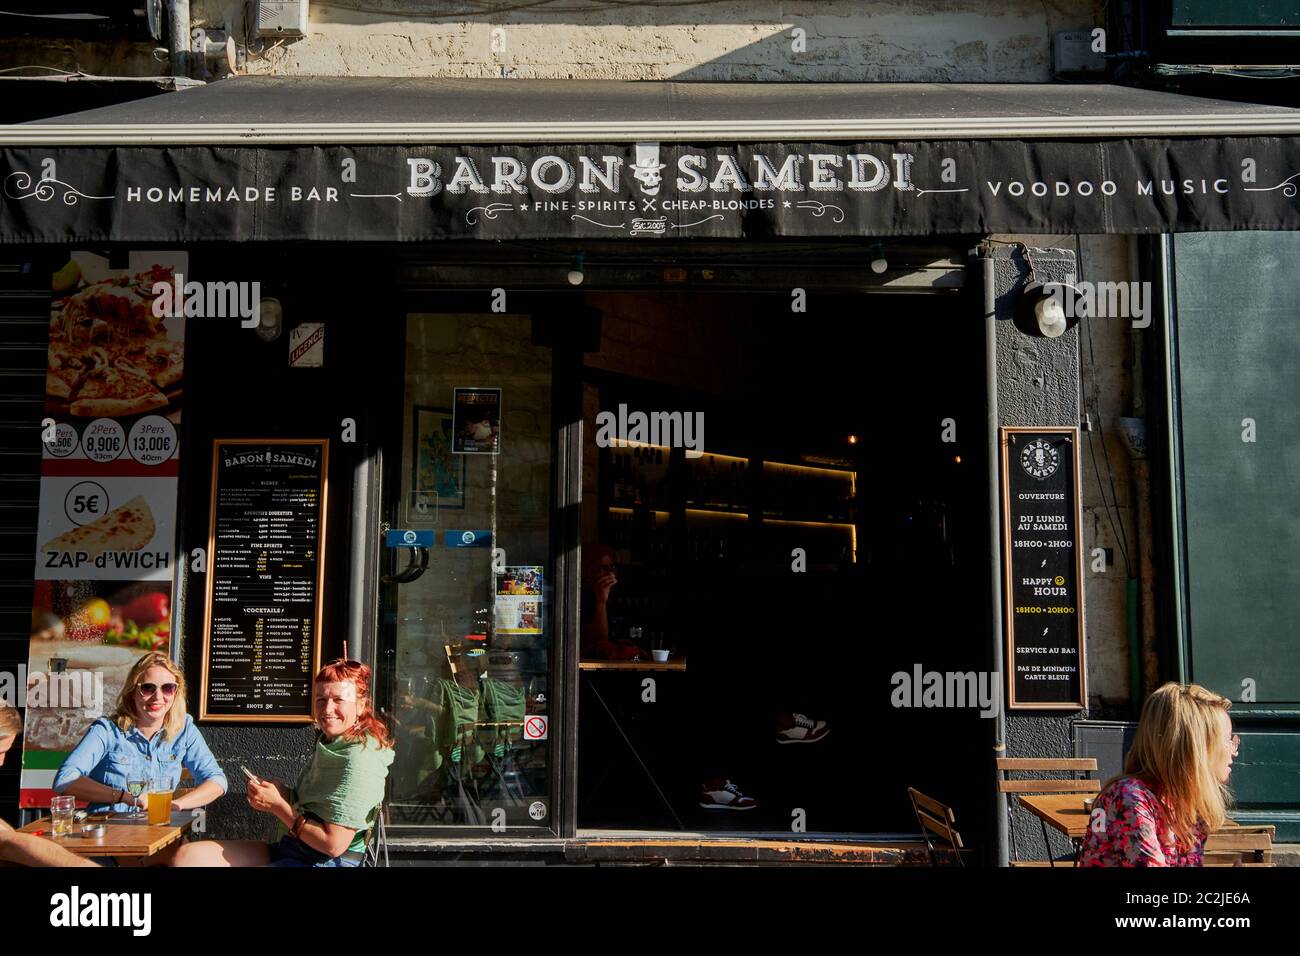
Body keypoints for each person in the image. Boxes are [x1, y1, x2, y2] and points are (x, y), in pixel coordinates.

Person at [172, 658, 394, 867]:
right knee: (186, 857)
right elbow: (314, 808)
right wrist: (282, 792)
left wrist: (278, 805)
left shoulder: (359, 758)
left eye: (338, 700)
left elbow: (333, 845)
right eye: (321, 699)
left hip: (322, 861)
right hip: (293, 849)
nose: (327, 709)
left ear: (361, 705)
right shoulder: (333, 744)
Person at [53, 652, 228, 817]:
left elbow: (217, 780)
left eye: (168, 688)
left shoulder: (184, 729)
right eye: (148, 688)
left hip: (158, 831)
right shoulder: (108, 730)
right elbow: (65, 780)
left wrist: (177, 805)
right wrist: (125, 796)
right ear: (132, 692)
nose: (158, 696)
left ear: (176, 693)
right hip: (110, 832)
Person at [1080, 682, 1236, 867]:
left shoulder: (1187, 802)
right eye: (1228, 740)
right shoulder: (1130, 796)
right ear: (1196, 750)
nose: (1234, 750)